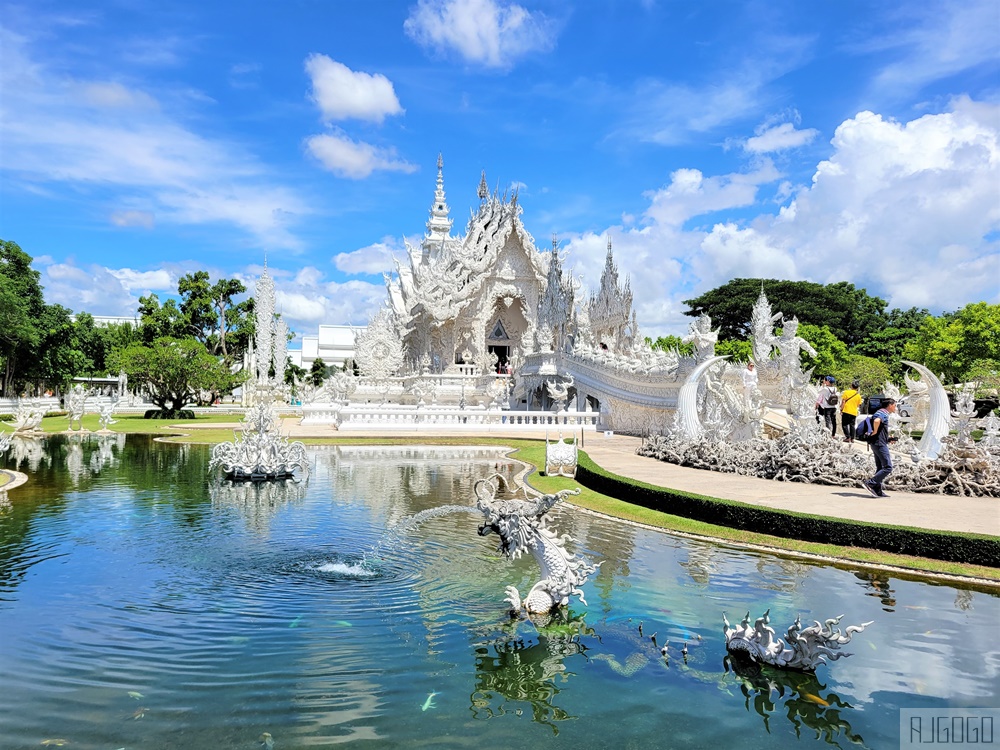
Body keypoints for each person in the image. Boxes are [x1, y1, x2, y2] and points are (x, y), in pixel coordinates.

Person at [862, 398, 898, 498]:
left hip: (877, 442)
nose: (895, 407)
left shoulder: (880, 412)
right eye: (895, 405)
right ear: (890, 405)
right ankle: (870, 483)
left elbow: (878, 427)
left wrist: (888, 438)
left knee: (880, 467)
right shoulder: (883, 413)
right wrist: (874, 432)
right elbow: (877, 421)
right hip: (879, 444)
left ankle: (877, 490)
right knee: (888, 467)